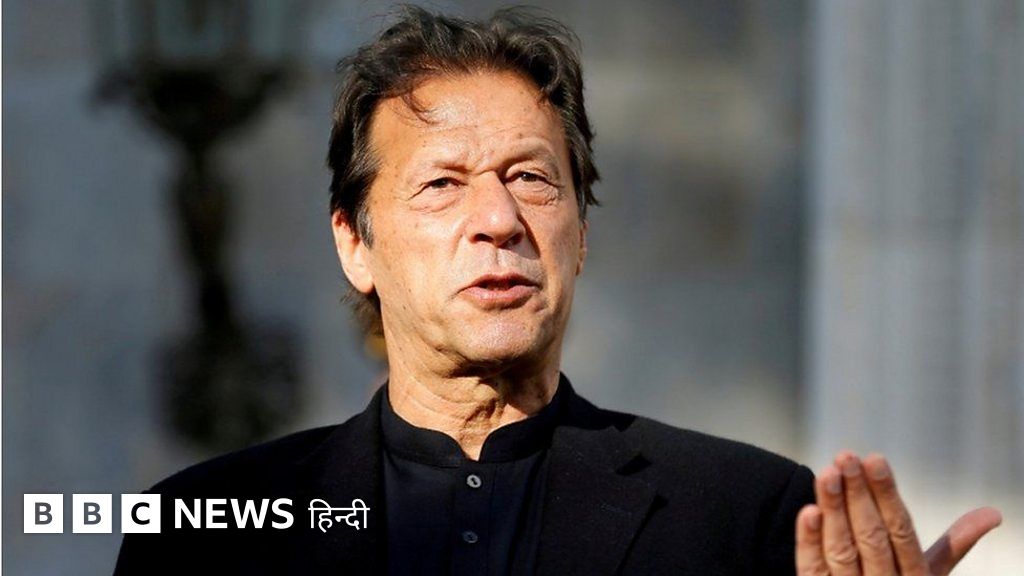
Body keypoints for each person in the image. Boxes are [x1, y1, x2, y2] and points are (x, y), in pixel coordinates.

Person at [114, 7, 1001, 575]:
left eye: (533, 179)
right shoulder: (203, 529)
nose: (499, 220)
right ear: (355, 244)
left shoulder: (748, 515)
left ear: (582, 232)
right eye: (443, 184)